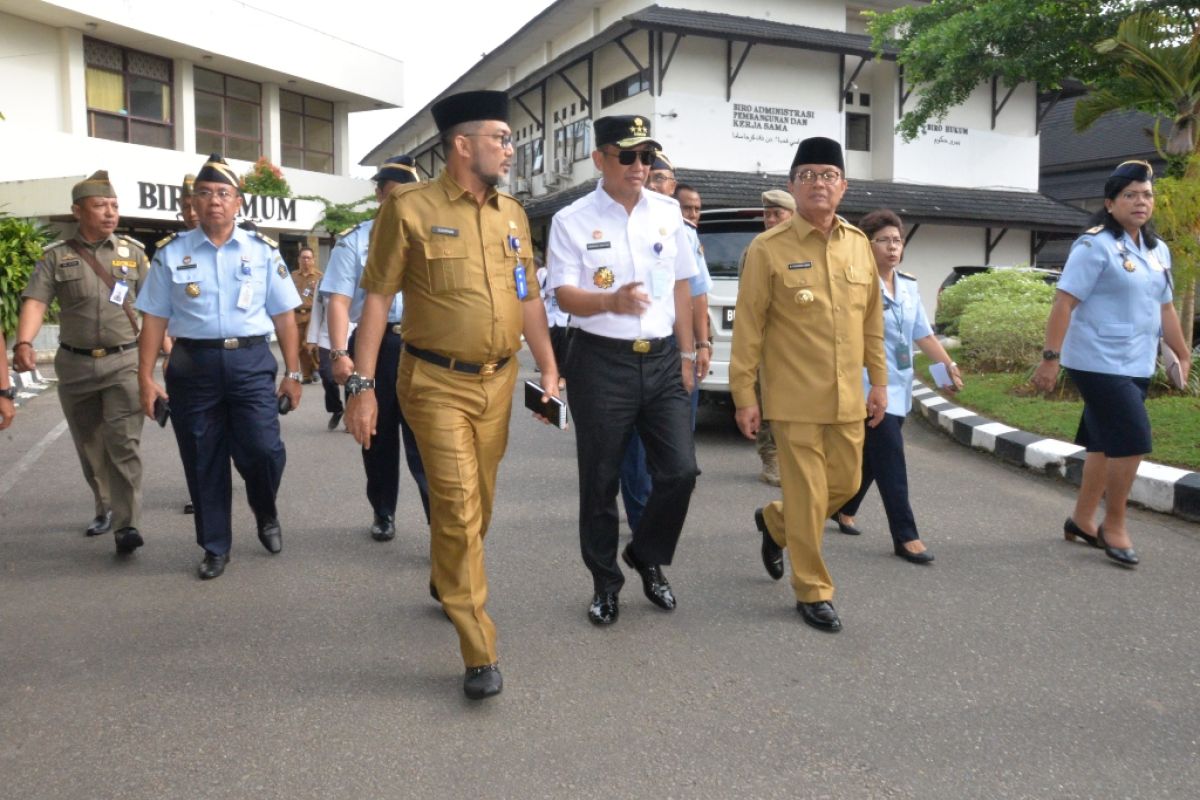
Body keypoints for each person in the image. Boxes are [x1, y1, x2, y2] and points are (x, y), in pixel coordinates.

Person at [345, 91, 559, 700]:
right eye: (501, 137)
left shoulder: (513, 214)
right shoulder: (408, 209)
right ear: (463, 145)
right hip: (434, 381)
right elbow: (378, 299)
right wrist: (363, 387)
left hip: (499, 379)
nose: (511, 148)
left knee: (478, 506)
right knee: (461, 505)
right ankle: (478, 648)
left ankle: (449, 576)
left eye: (510, 138)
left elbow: (528, 297)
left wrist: (547, 364)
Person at [730, 137, 887, 633]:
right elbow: (749, 327)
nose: (820, 183)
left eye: (829, 175)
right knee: (807, 492)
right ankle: (813, 589)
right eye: (809, 175)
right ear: (793, 185)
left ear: (844, 185)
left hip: (846, 397)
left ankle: (775, 523)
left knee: (843, 484)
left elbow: (872, 324)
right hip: (794, 398)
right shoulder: (767, 248)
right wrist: (742, 395)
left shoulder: (859, 245)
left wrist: (878, 382)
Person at [548, 115, 699, 627]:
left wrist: (685, 351)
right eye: (628, 156)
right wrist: (609, 299)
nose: (641, 167)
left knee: (680, 471)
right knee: (600, 481)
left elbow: (681, 284)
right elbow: (564, 294)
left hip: (659, 359)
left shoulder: (667, 211)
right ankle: (605, 582)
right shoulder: (571, 219)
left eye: (648, 157)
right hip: (600, 361)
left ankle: (646, 554)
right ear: (599, 159)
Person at [135, 153, 302, 580]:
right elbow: (153, 318)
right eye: (205, 194)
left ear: (238, 203)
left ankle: (264, 508)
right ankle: (214, 546)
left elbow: (285, 315)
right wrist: (145, 378)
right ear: (193, 202)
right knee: (202, 456)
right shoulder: (171, 254)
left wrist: (294, 372)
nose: (214, 201)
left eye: (223, 194)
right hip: (193, 364)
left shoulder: (262, 250)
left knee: (264, 450)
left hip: (249, 360)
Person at [1032, 159, 1190, 568]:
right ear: (1110, 202)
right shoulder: (1094, 244)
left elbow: (1165, 306)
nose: (1141, 202)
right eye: (1130, 195)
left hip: (1137, 360)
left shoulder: (1157, 250)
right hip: (1096, 359)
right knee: (1134, 439)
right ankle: (1113, 524)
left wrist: (1183, 351)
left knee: (1103, 443)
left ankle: (1082, 520)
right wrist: (1051, 359)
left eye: (1146, 195)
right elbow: (1064, 301)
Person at [13, 170, 148, 554]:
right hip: (75, 364)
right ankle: (104, 505)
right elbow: (36, 301)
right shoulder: (57, 257)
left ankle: (127, 525)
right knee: (90, 443)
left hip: (125, 361)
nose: (110, 213)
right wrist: (24, 341)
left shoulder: (133, 253)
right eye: (100, 205)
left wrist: (167, 351)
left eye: (114, 206)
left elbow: (155, 308)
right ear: (77, 210)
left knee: (124, 443)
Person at [832, 209, 963, 564]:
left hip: (900, 384)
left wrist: (945, 366)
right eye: (884, 240)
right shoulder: (854, 284)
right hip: (868, 386)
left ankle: (842, 507)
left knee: (872, 458)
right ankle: (906, 536)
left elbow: (921, 333)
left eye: (897, 240)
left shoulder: (907, 285)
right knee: (891, 458)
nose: (892, 247)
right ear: (866, 245)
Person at [323, 154, 430, 541]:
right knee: (377, 435)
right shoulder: (356, 240)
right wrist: (338, 352)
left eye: (411, 194)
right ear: (380, 195)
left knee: (428, 439)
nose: (403, 201)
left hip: (422, 344)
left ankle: (442, 523)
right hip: (375, 346)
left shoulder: (431, 236)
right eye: (395, 194)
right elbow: (337, 299)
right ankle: (383, 511)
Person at [617, 156, 713, 537]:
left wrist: (701, 344)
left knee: (677, 447)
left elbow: (698, 292)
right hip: (632, 345)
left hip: (678, 345)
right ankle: (643, 525)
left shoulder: (683, 230)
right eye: (653, 178)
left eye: (664, 179)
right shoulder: (619, 221)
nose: (657, 185)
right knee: (637, 447)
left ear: (674, 185)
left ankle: (659, 512)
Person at [751, 189, 796, 487]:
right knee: (767, 400)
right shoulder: (757, 249)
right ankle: (771, 456)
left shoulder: (804, 248)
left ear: (792, 216)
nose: (770, 219)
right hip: (767, 341)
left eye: (776, 213)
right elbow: (750, 304)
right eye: (767, 214)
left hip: (797, 343)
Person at [305, 281, 345, 430]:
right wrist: (312, 338)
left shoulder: (360, 276)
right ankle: (337, 409)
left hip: (352, 334)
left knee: (353, 377)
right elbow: (317, 312)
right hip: (327, 337)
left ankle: (352, 410)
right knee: (327, 375)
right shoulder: (323, 282)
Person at [292, 246, 322, 383]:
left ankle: (316, 368)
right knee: (299, 347)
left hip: (312, 315)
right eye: (303, 258)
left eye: (308, 258)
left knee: (309, 344)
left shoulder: (320, 277)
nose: (306, 261)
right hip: (296, 315)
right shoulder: (292, 276)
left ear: (313, 260)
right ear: (298, 260)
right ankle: (306, 375)